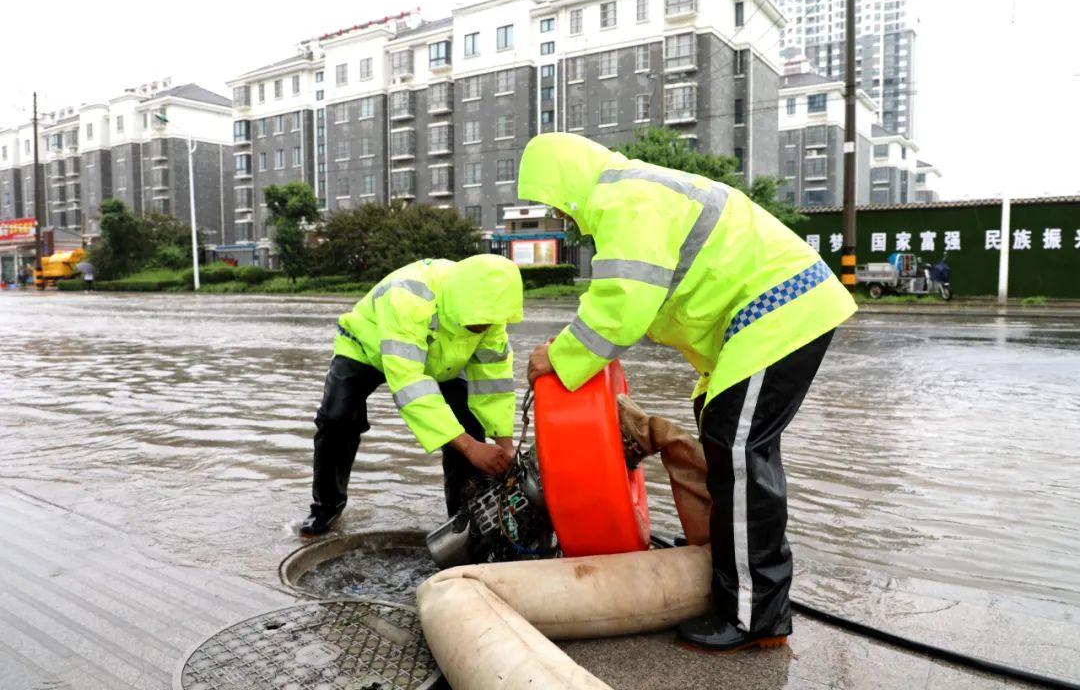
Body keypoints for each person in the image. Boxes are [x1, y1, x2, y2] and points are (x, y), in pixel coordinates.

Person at [518, 133, 857, 652]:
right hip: (757, 322)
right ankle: (729, 570)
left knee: (740, 454)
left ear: (564, 183)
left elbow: (621, 304)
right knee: (721, 435)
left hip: (779, 310)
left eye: (555, 204)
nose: (561, 216)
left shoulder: (625, 199)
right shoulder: (634, 196)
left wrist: (558, 356)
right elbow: (640, 300)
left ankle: (753, 616)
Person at [300, 254, 522, 537]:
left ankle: (463, 518)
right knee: (337, 418)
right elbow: (409, 382)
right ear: (460, 302)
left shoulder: (491, 314)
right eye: (477, 323)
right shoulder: (408, 297)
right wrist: (468, 446)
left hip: (444, 360)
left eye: (489, 324)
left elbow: (495, 382)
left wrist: (505, 445)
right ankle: (326, 507)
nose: (484, 329)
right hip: (367, 348)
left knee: (470, 427)